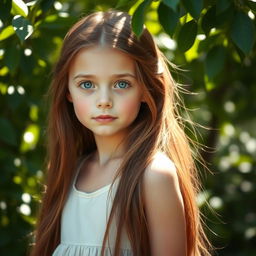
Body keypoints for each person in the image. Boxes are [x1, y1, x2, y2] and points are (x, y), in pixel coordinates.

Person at [29, 10, 213, 256]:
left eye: (121, 84)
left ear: (146, 89)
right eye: (87, 85)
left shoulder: (154, 175)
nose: (104, 100)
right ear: (68, 92)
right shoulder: (70, 170)